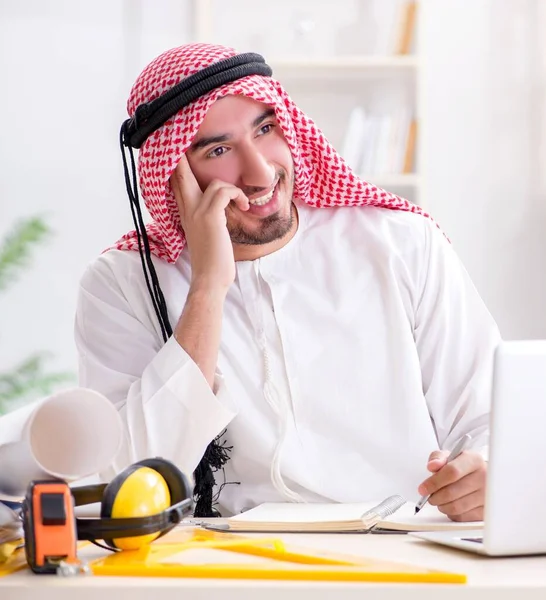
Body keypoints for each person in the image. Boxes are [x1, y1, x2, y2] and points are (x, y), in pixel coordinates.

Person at [75, 43, 500, 519]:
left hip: (406, 546)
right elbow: (130, 479)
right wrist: (208, 288)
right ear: (173, 174)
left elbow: (490, 419)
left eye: (266, 129)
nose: (260, 174)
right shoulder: (123, 282)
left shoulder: (401, 243)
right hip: (228, 569)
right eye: (218, 149)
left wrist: (487, 470)